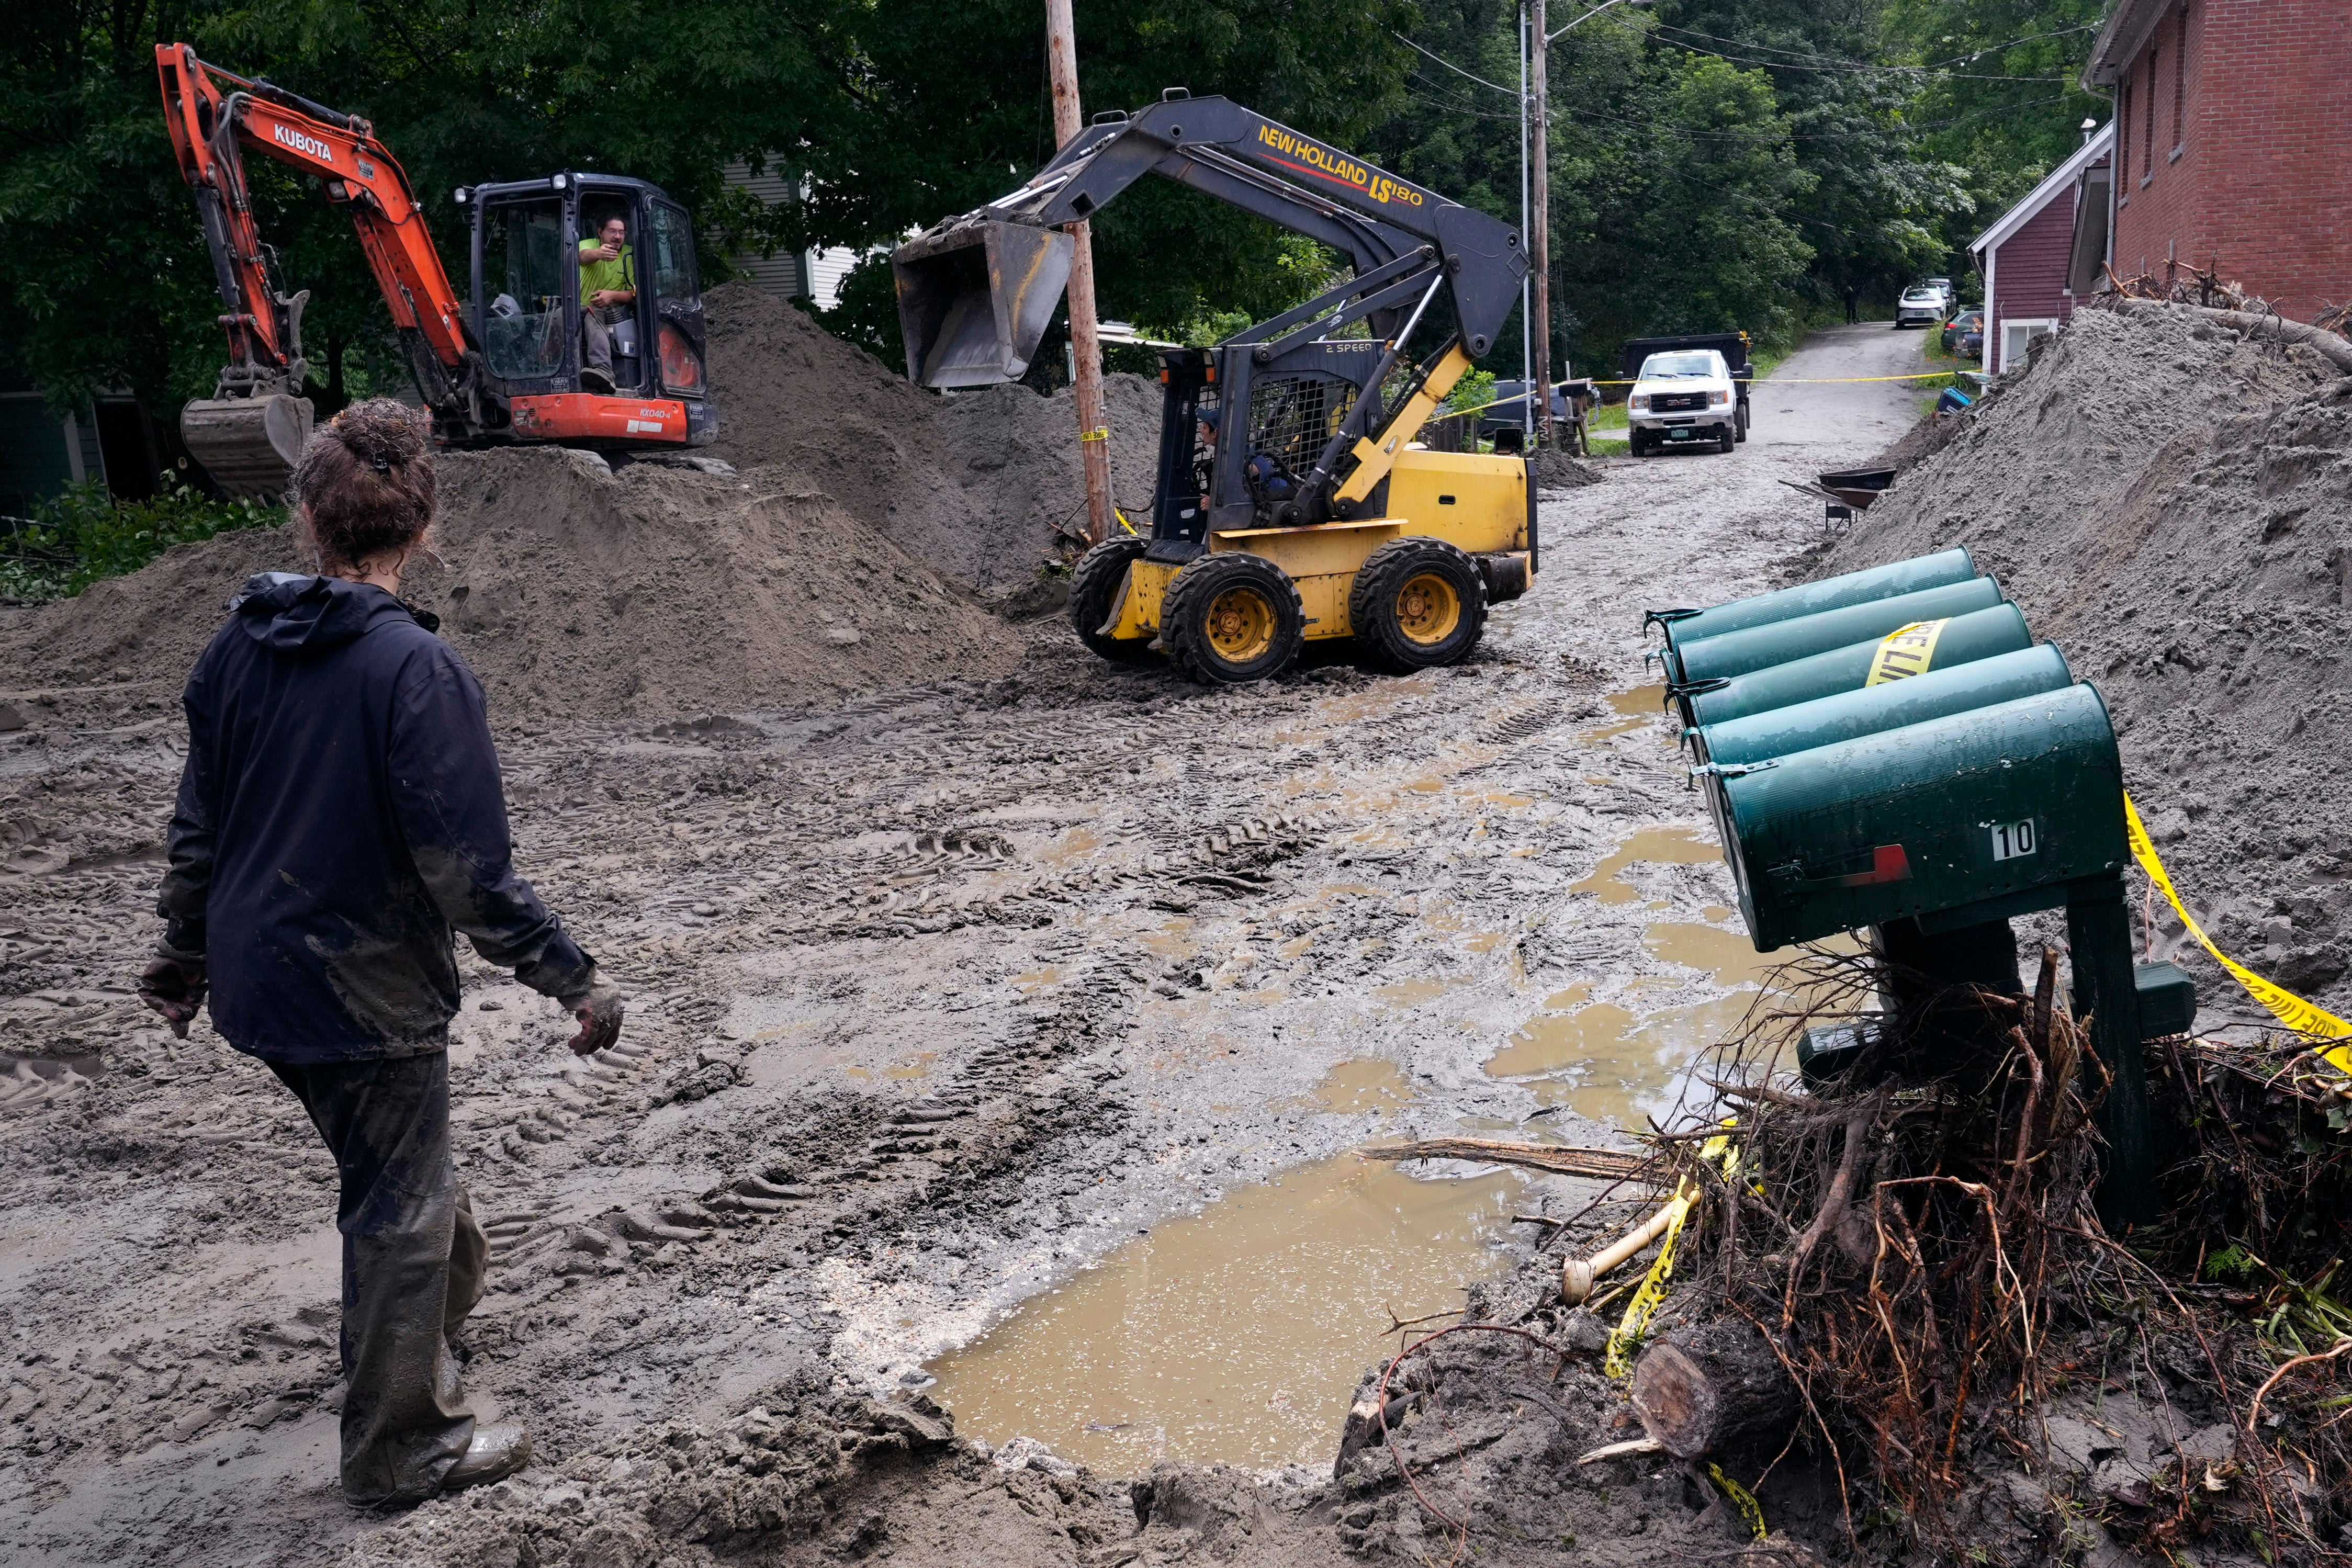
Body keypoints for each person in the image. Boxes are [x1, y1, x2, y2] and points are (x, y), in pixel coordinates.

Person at [136, 400, 624, 1508]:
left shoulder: (235, 649)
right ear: (426, 523)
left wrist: (182, 953)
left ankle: (413, 1344)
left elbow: (198, 824)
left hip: (262, 983)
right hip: (362, 988)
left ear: (305, 517)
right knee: (399, 1203)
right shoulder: (417, 673)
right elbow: (470, 874)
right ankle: (403, 1444)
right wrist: (575, 977)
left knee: (399, 1174)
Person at [576, 215, 637, 393]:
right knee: (557, 316)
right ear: (600, 232)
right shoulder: (588, 245)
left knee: (593, 314)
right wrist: (599, 254)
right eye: (612, 231)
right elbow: (582, 257)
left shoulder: (628, 254)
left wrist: (611, 295)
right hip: (578, 306)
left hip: (609, 308)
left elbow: (633, 294)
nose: (617, 236)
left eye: (621, 232)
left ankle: (603, 371)